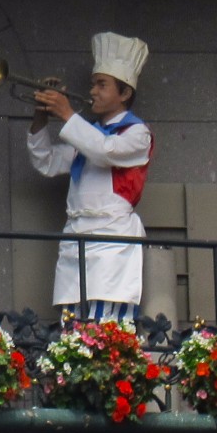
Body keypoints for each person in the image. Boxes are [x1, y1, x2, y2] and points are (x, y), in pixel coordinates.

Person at [26, 31, 153, 322]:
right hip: (76, 237)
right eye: (93, 84)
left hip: (112, 240)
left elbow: (104, 151)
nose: (93, 90)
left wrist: (69, 115)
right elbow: (44, 161)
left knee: (106, 321)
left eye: (101, 84)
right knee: (72, 322)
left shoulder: (137, 133)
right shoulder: (85, 134)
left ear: (125, 93)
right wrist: (41, 116)